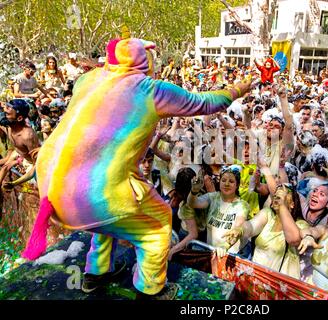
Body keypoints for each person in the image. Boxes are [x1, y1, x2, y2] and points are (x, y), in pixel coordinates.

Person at [23, 37, 252, 300]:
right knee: (158, 222)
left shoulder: (88, 79)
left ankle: (96, 272)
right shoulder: (149, 90)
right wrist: (237, 90)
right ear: (145, 60)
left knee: (111, 219)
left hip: (53, 189)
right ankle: (150, 290)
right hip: (93, 194)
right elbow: (204, 103)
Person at [187, 166, 250, 258]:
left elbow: (238, 228)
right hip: (211, 253)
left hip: (231, 256)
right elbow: (193, 203)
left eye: (231, 181)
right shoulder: (212, 197)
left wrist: (225, 246)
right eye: (223, 180)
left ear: (237, 185)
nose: (227, 184)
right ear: (219, 182)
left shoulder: (242, 205)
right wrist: (194, 191)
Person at [0, 99, 41, 191]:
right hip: (20, 154)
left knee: (39, 187)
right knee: (5, 168)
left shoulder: (27, 136)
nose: (4, 115)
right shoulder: (9, 126)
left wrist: (14, 183)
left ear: (19, 118)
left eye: (8, 114)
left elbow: (37, 165)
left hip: (32, 163)